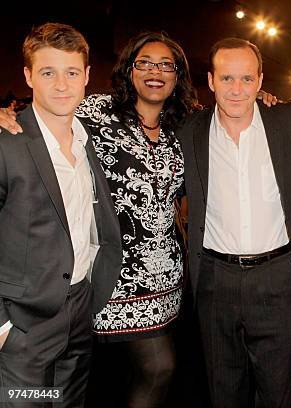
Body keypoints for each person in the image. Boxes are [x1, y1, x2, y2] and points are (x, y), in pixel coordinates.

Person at [0, 31, 199, 406]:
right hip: (112, 277)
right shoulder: (97, 112)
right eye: (144, 63)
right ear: (129, 69)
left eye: (166, 65)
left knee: (89, 385)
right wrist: (4, 114)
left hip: (162, 277)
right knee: (155, 368)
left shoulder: (183, 126)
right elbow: (43, 113)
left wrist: (264, 104)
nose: (155, 72)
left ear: (178, 76)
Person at [177, 37, 291, 408]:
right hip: (215, 281)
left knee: (277, 391)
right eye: (227, 79)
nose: (237, 90)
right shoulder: (189, 131)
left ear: (260, 80)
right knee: (223, 392)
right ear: (210, 80)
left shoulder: (290, 121)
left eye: (246, 79)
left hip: (278, 278)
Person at [0, 23, 121, 407]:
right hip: (23, 328)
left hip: (80, 312)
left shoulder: (88, 138)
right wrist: (3, 327)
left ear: (87, 76)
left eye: (71, 72)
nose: (62, 84)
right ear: (28, 75)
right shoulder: (7, 143)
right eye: (48, 72)